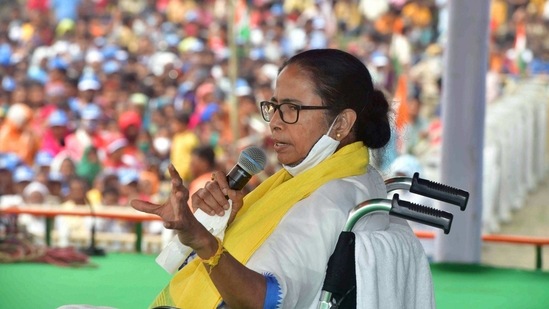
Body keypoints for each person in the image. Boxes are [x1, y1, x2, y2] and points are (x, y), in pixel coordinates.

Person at [131, 49, 432, 308]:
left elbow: (265, 299)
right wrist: (218, 226)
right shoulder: (353, 177)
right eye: (274, 106)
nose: (274, 122)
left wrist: (204, 242)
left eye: (291, 109)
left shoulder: (326, 199)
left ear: (341, 124)